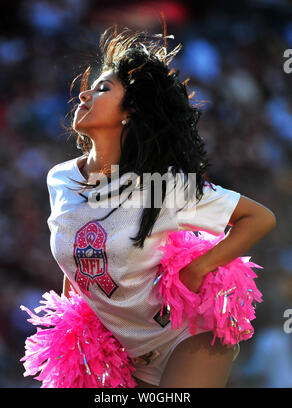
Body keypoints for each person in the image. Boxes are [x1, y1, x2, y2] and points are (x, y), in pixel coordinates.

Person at [46, 25, 276, 388]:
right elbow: (74, 261)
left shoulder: (162, 185)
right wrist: (72, 328)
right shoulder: (59, 179)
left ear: (130, 113)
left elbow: (259, 218)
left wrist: (197, 270)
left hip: (185, 336)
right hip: (117, 354)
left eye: (103, 88)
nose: (85, 94)